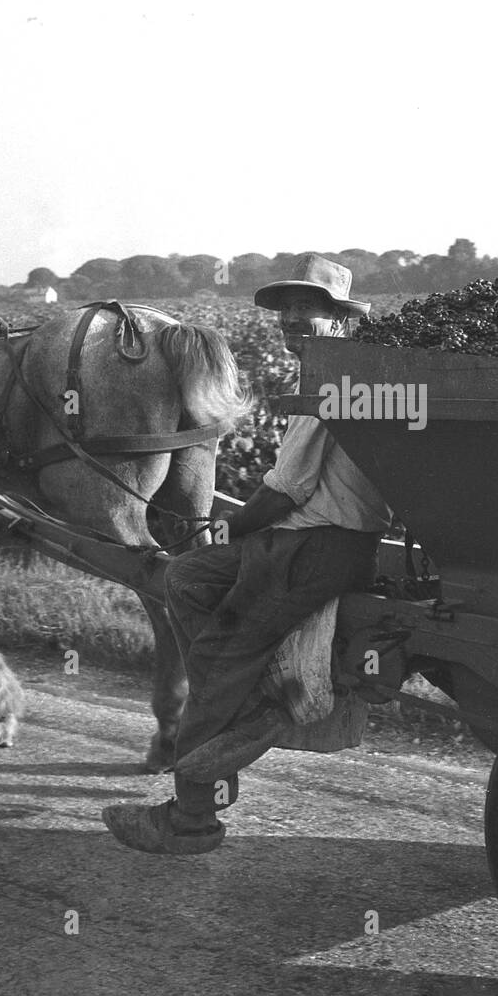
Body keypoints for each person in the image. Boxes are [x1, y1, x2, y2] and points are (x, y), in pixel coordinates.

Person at [102, 254, 392, 855]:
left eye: (305, 311)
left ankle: (192, 817)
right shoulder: (349, 372)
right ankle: (252, 694)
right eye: (285, 312)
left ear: (337, 318)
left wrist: (234, 525)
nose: (290, 321)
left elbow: (287, 489)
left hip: (312, 547)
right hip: (312, 541)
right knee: (186, 578)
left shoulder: (332, 382)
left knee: (218, 653)